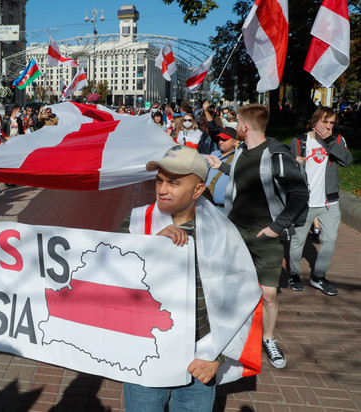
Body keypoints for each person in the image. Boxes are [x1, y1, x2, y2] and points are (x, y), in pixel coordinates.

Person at [124, 145, 262, 412]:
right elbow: (111, 285)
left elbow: (242, 297)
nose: (163, 189)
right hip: (146, 357)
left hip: (199, 361)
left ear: (197, 190)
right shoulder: (135, 223)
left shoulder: (222, 233)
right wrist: (149, 249)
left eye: (174, 183)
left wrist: (217, 357)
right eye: (159, 181)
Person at [206, 104, 309, 369]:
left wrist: (277, 227)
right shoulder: (241, 151)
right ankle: (229, 336)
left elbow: (299, 195)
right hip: (235, 231)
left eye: (237, 120)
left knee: (269, 294)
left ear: (245, 126)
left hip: (266, 236)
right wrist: (222, 167)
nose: (235, 123)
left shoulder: (277, 155)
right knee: (229, 285)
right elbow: (248, 177)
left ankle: (268, 339)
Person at [288, 107, 352, 295]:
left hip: (329, 202)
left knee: (330, 240)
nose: (329, 127)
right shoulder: (300, 141)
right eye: (325, 122)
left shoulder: (337, 140)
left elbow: (347, 161)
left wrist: (330, 140)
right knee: (298, 241)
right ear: (315, 121)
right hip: (305, 202)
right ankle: (293, 273)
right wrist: (295, 163)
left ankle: (318, 276)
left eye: (332, 123)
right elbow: (287, 170)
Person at [204, 127, 238, 210]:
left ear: (235, 142)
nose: (220, 142)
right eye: (219, 139)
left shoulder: (239, 157)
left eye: (224, 140)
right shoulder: (214, 154)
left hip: (225, 208)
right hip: (207, 205)